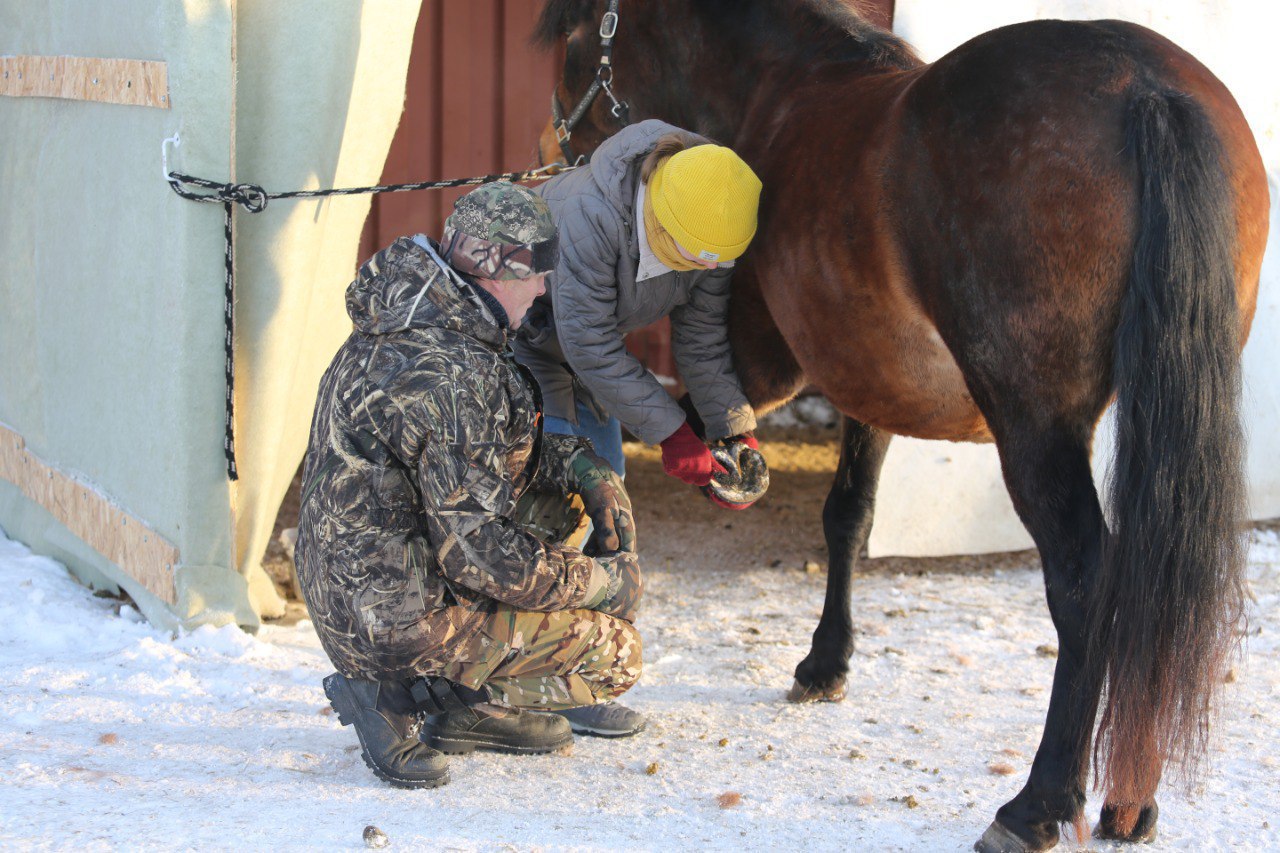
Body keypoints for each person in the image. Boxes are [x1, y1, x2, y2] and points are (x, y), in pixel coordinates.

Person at [294, 182, 642, 790]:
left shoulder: (411, 315)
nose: (544, 288)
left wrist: (582, 466)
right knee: (616, 655)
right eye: (538, 273)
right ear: (501, 272)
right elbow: (477, 552)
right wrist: (599, 583)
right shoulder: (455, 372)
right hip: (387, 617)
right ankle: (393, 696)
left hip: (352, 580)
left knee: (560, 502)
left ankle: (465, 709)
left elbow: (479, 459)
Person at [514, 118, 763, 494]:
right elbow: (590, 341)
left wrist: (733, 429)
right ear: (665, 221)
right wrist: (673, 434)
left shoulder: (712, 234)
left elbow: (701, 337)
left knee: (609, 482)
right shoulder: (591, 217)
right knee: (556, 487)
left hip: (580, 357)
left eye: (721, 257)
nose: (711, 267)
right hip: (516, 341)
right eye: (700, 254)